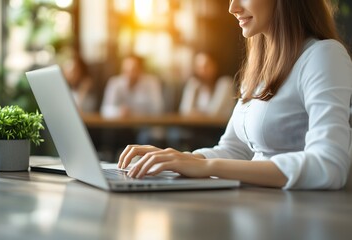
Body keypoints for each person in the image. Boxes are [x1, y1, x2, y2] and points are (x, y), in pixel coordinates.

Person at [117, 0, 352, 190]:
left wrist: (209, 167)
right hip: (257, 211)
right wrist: (177, 160)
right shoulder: (260, 67)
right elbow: (234, 151)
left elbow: (328, 165)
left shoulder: (323, 55)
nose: (232, 7)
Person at [179, 52, 235, 118]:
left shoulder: (225, 83)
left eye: (206, 66)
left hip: (219, 127)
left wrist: (195, 113)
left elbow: (213, 113)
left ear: (215, 65)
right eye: (198, 67)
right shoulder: (195, 86)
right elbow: (184, 112)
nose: (202, 71)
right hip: (198, 127)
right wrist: (192, 88)